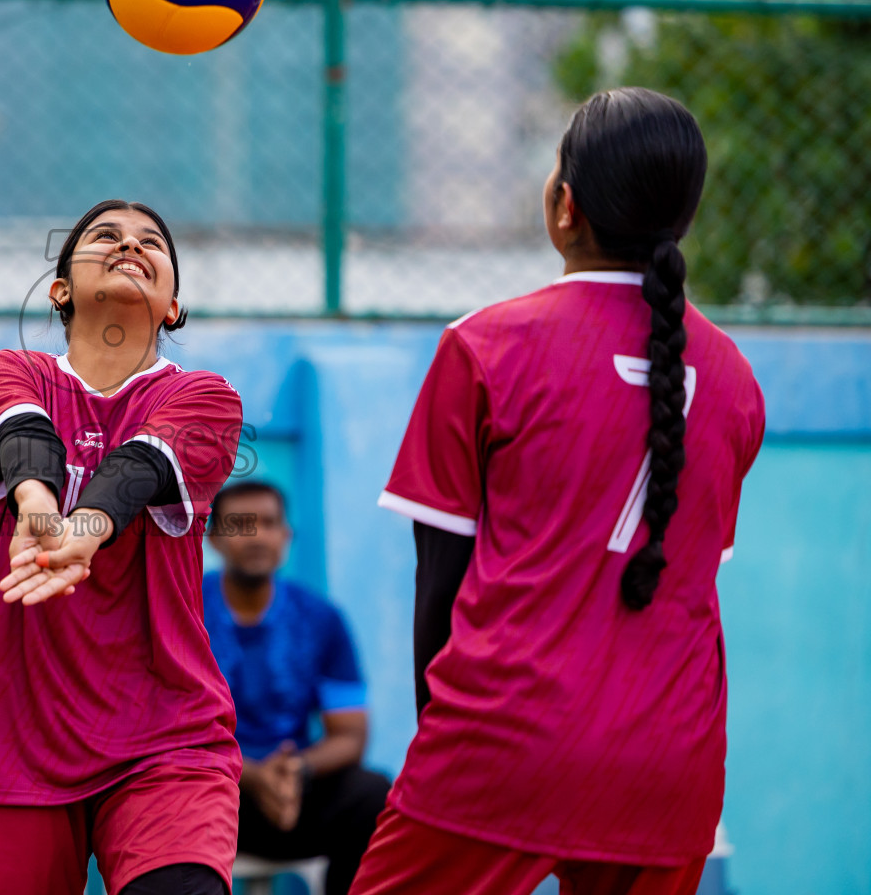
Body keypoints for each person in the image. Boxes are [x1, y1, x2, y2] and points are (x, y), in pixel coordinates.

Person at [353, 88, 767, 895]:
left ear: (563, 205)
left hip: (506, 739)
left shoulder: (483, 348)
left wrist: (447, 751)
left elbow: (439, 582)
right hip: (672, 756)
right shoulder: (736, 383)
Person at [0, 199, 245, 895]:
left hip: (164, 737)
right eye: (105, 236)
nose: (129, 244)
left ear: (173, 305)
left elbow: (140, 464)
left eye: (152, 243)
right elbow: (25, 436)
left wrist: (83, 532)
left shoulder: (206, 398)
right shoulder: (4, 371)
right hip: (10, 738)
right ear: (59, 290)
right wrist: (38, 505)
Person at [202, 481, 390, 895]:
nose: (256, 537)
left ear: (286, 536)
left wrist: (297, 771)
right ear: (214, 537)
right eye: (240, 525)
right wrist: (252, 776)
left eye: (269, 523)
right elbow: (162, 728)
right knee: (164, 791)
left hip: (295, 793)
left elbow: (350, 735)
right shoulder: (185, 611)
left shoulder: (321, 619)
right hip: (212, 797)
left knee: (373, 793)